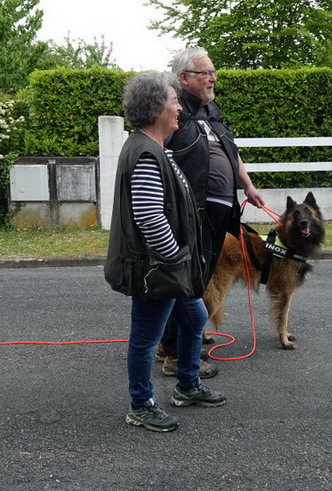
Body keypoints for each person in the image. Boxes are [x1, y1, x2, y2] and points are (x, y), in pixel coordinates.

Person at [104, 72, 226, 433]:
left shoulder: (156, 147)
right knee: (145, 339)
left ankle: (187, 385)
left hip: (169, 266)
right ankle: (141, 405)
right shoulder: (145, 151)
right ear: (156, 107)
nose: (179, 108)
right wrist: (174, 257)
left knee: (194, 316)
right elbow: (148, 215)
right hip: (156, 269)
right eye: (174, 101)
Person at [156, 47, 265, 375]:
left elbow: (230, 152)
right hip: (193, 213)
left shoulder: (210, 112)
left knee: (198, 280)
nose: (213, 78)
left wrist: (248, 185)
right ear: (184, 77)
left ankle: (169, 344)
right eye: (206, 73)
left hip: (220, 211)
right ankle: (176, 356)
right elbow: (155, 151)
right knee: (189, 282)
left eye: (213, 72)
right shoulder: (173, 111)